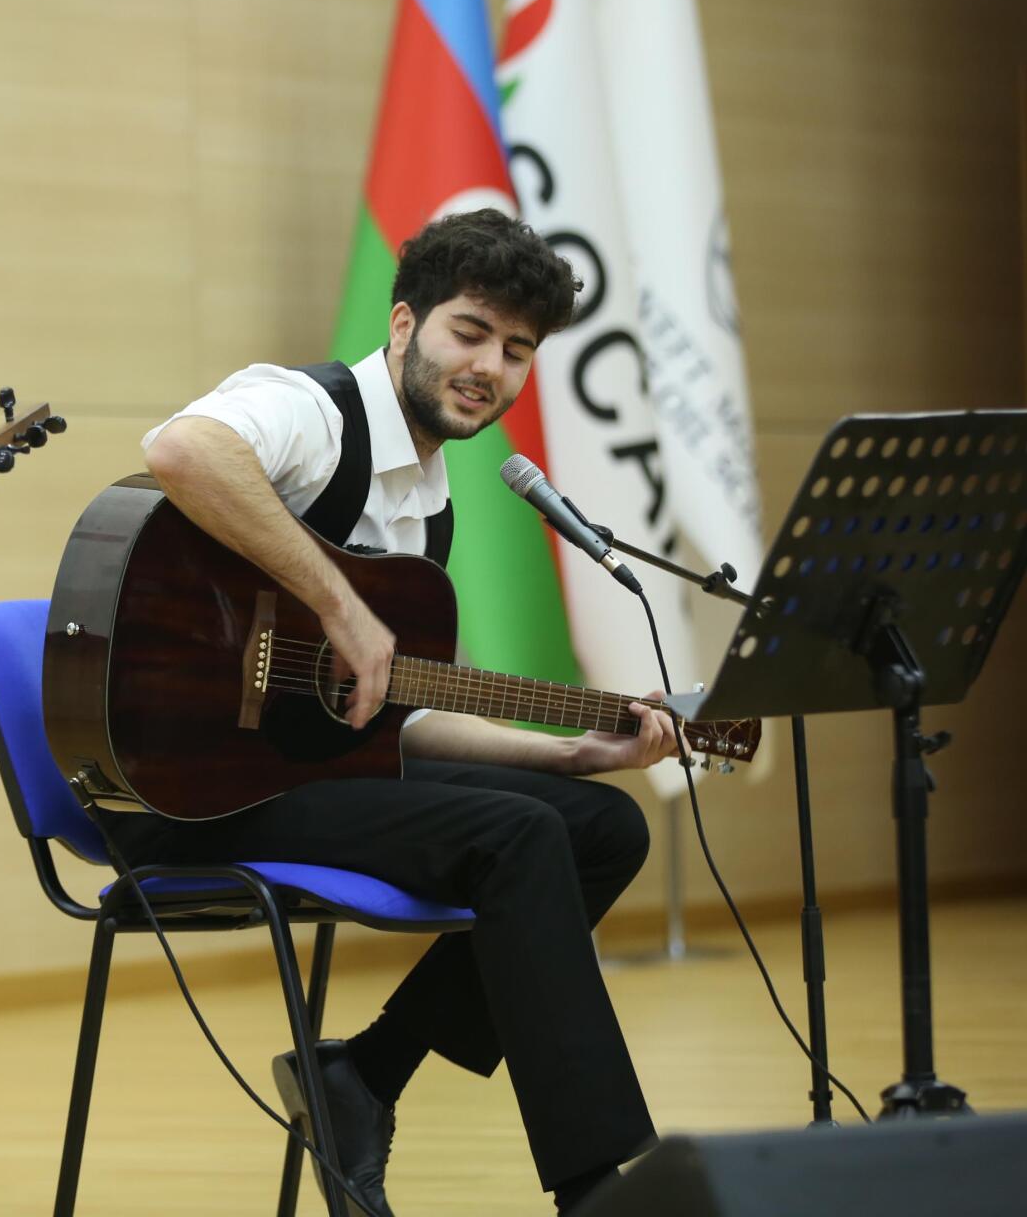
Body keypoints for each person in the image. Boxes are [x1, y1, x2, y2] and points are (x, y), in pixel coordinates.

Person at [116, 209, 678, 1215]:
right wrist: (340, 605)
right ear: (407, 322)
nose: (490, 368)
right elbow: (182, 449)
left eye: (518, 351)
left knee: (602, 826)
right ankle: (596, 1189)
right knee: (515, 839)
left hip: (314, 774)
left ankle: (366, 1075)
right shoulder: (312, 413)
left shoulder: (429, 501)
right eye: (472, 332)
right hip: (190, 783)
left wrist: (567, 754)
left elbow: (395, 718)